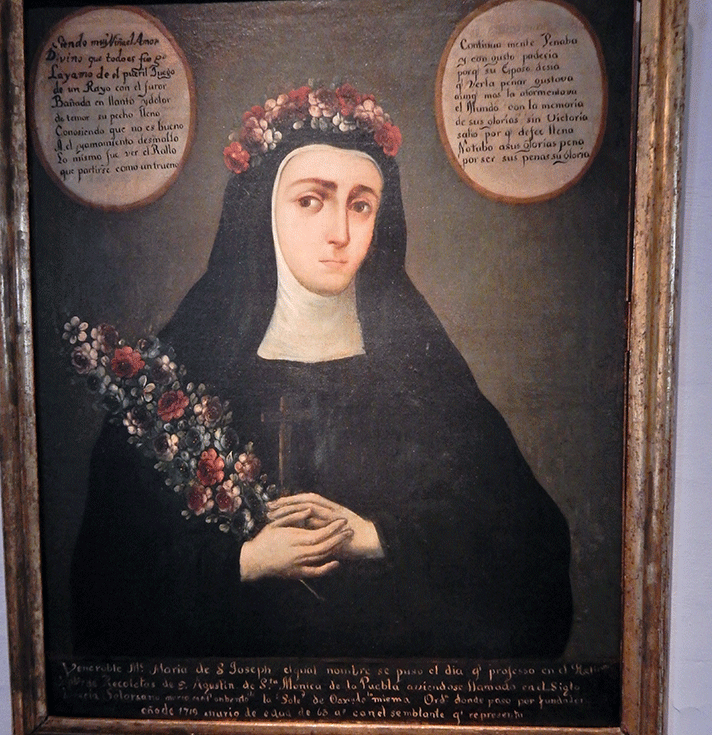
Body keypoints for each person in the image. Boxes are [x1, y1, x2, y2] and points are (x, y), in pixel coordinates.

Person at [71, 84, 572, 659]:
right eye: (311, 200)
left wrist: (375, 538)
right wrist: (245, 561)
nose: (341, 233)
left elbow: (527, 551)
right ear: (263, 211)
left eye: (361, 205)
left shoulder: (423, 375)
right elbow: (108, 580)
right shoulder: (175, 382)